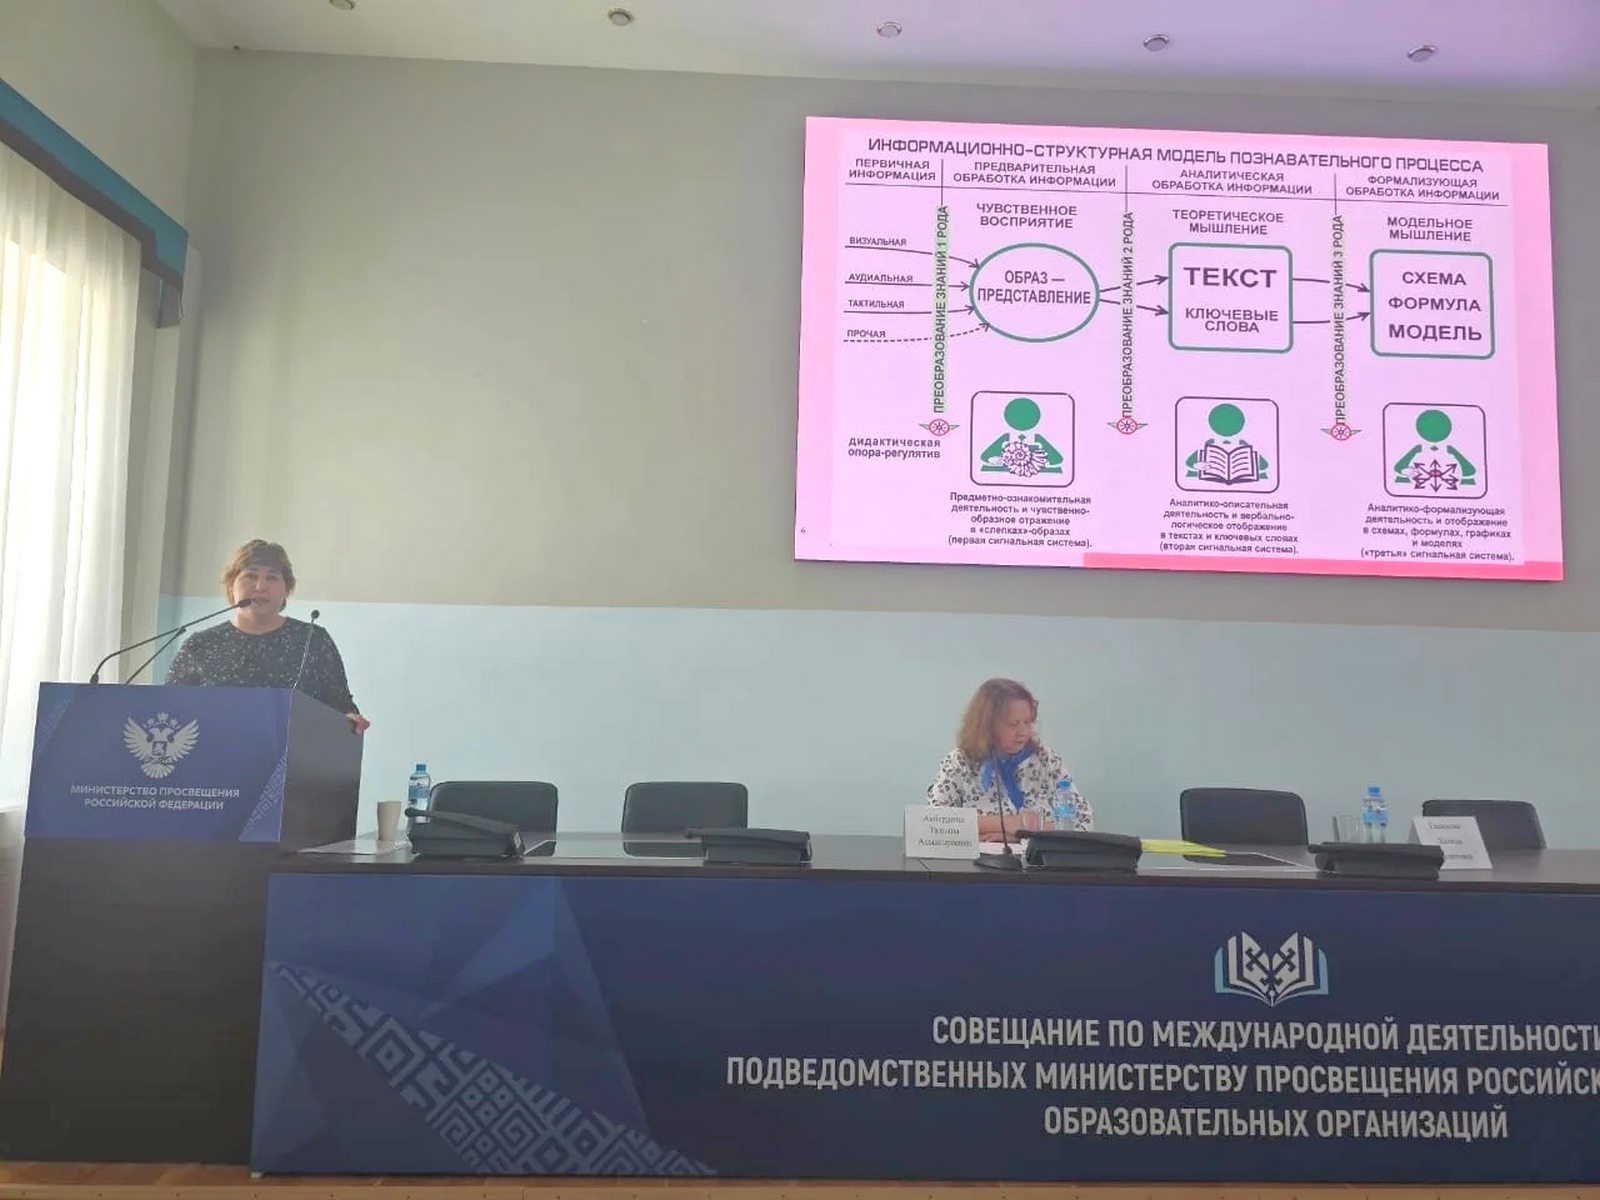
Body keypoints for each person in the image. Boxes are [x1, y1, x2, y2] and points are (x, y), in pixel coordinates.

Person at [165, 539, 369, 733]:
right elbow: (169, 711)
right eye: (250, 576)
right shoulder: (201, 645)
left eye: (272, 578)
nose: (260, 586)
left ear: (286, 590)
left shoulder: (313, 640)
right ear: (230, 586)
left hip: (298, 755)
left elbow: (341, 706)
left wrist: (350, 720)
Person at [927, 677, 1090, 838]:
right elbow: (936, 822)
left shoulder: (1047, 761)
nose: (1023, 732)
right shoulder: (960, 762)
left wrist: (1020, 835)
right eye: (1013, 724)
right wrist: (1006, 824)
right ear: (987, 726)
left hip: (1037, 855)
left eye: (1028, 722)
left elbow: (1082, 821)